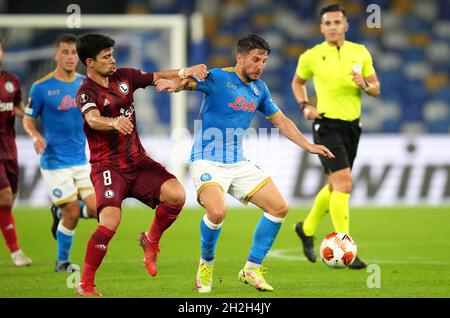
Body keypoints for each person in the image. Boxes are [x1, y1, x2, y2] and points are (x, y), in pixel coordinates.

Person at [156, 33, 334, 293]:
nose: (260, 66)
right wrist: (174, 85)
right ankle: (206, 265)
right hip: (206, 160)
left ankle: (251, 268)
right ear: (239, 58)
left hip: (237, 162)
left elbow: (281, 120)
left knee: (279, 207)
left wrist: (307, 145)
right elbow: (187, 83)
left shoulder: (259, 89)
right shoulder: (218, 77)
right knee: (217, 212)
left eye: (264, 61)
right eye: (255, 59)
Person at [74, 33, 208, 296]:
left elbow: (157, 76)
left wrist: (185, 71)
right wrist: (112, 122)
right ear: (90, 62)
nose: (113, 60)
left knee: (177, 195)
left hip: (138, 161)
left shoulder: (124, 76)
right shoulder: (86, 93)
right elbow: (92, 119)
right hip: (108, 167)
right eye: (106, 57)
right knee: (110, 222)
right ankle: (86, 285)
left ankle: (151, 240)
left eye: (112, 54)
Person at [291, 4, 380, 269]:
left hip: (352, 127)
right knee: (344, 184)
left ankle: (305, 229)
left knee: (335, 186)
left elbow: (376, 88)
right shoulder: (311, 56)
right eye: (327, 23)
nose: (331, 27)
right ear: (321, 28)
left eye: (336, 22)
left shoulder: (360, 52)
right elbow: (297, 82)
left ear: (345, 26)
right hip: (325, 125)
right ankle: (346, 247)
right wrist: (305, 106)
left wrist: (363, 85)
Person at [23, 34, 98, 273]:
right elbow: (27, 120)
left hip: (81, 160)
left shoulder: (85, 84)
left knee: (99, 209)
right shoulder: (41, 87)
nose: (69, 57)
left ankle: (59, 209)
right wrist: (35, 135)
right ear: (56, 55)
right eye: (64, 52)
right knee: (73, 213)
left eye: (73, 52)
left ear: (79, 57)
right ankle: (62, 262)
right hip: (55, 162)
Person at [0, 37, 32, 267]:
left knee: (8, 200)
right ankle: (16, 252)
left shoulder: (12, 81)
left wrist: (30, 114)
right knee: (4, 196)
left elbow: (18, 107)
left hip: (10, 149)